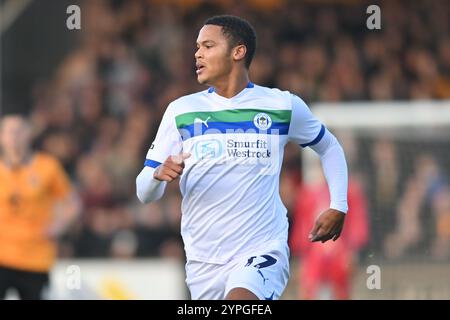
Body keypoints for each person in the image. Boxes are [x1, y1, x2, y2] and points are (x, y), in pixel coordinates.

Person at [136, 15, 348, 300]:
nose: (197, 53)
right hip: (204, 262)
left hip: (261, 250)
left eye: (208, 46)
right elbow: (144, 193)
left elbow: (329, 147)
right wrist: (157, 175)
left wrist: (338, 205)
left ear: (238, 51)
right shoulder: (181, 110)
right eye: (197, 47)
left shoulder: (281, 106)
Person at [0, 114, 80, 299]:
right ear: (1, 136)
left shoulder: (47, 167)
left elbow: (72, 203)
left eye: (19, 131)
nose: (14, 137)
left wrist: (58, 226)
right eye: (9, 132)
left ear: (28, 134)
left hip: (35, 257)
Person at [290, 159, 369, 299]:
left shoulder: (351, 192)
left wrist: (352, 251)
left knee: (341, 290)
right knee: (308, 287)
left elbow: (357, 222)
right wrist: (301, 257)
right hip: (314, 255)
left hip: (340, 252)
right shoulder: (307, 194)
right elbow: (302, 228)